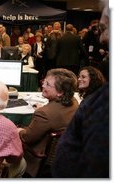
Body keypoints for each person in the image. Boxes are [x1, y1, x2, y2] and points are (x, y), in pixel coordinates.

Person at [51, 0, 109, 177]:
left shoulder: (103, 104)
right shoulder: (77, 38)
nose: (102, 38)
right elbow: (82, 51)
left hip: (61, 64)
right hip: (73, 64)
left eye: (105, 27)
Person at [18, 68, 79, 177]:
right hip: (64, 156)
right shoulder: (74, 102)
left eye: (48, 84)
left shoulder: (44, 114)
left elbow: (27, 138)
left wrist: (18, 130)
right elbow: (55, 114)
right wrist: (44, 108)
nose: (43, 85)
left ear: (60, 92)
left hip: (38, 158)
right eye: (44, 81)